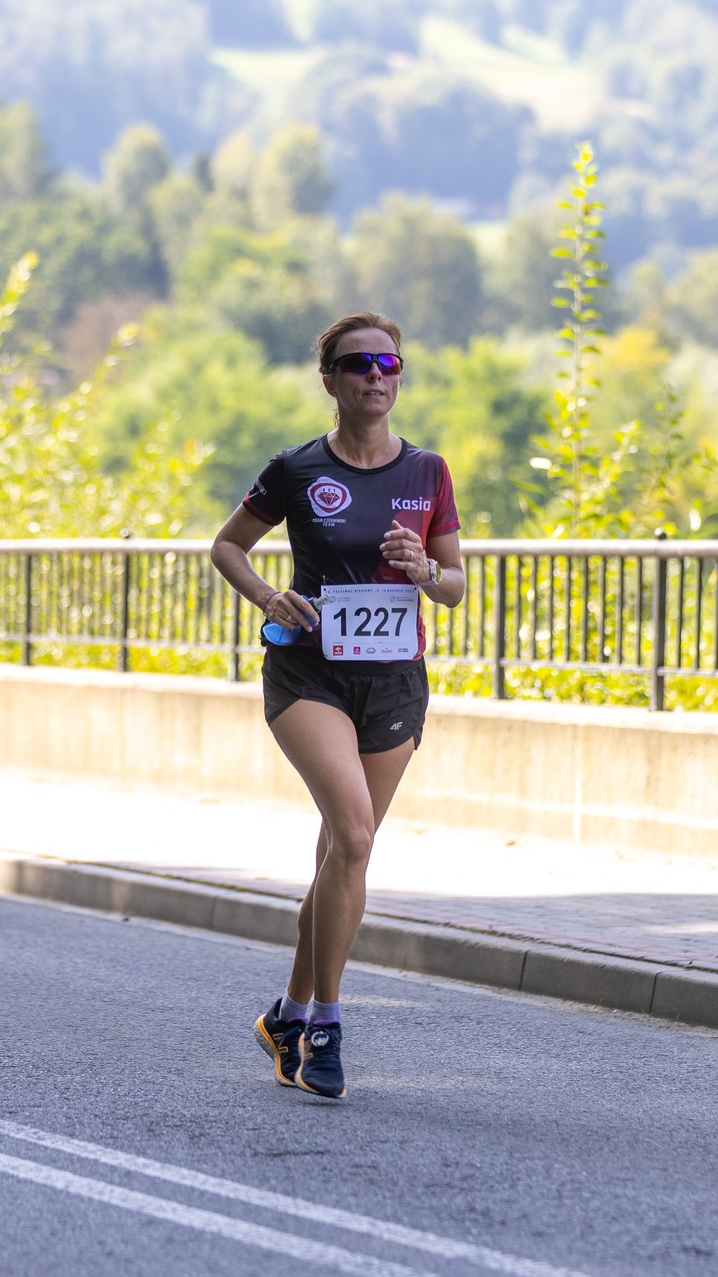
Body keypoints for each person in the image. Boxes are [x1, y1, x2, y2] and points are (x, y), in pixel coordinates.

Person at [210, 313, 465, 1099]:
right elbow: (227, 545)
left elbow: (455, 585)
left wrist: (425, 569)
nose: (377, 375)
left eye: (389, 362)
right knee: (354, 836)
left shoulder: (428, 471)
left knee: (339, 856)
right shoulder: (296, 469)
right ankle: (324, 1024)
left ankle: (285, 1014)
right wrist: (268, 596)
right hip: (309, 674)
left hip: (393, 682)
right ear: (330, 379)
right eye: (359, 364)